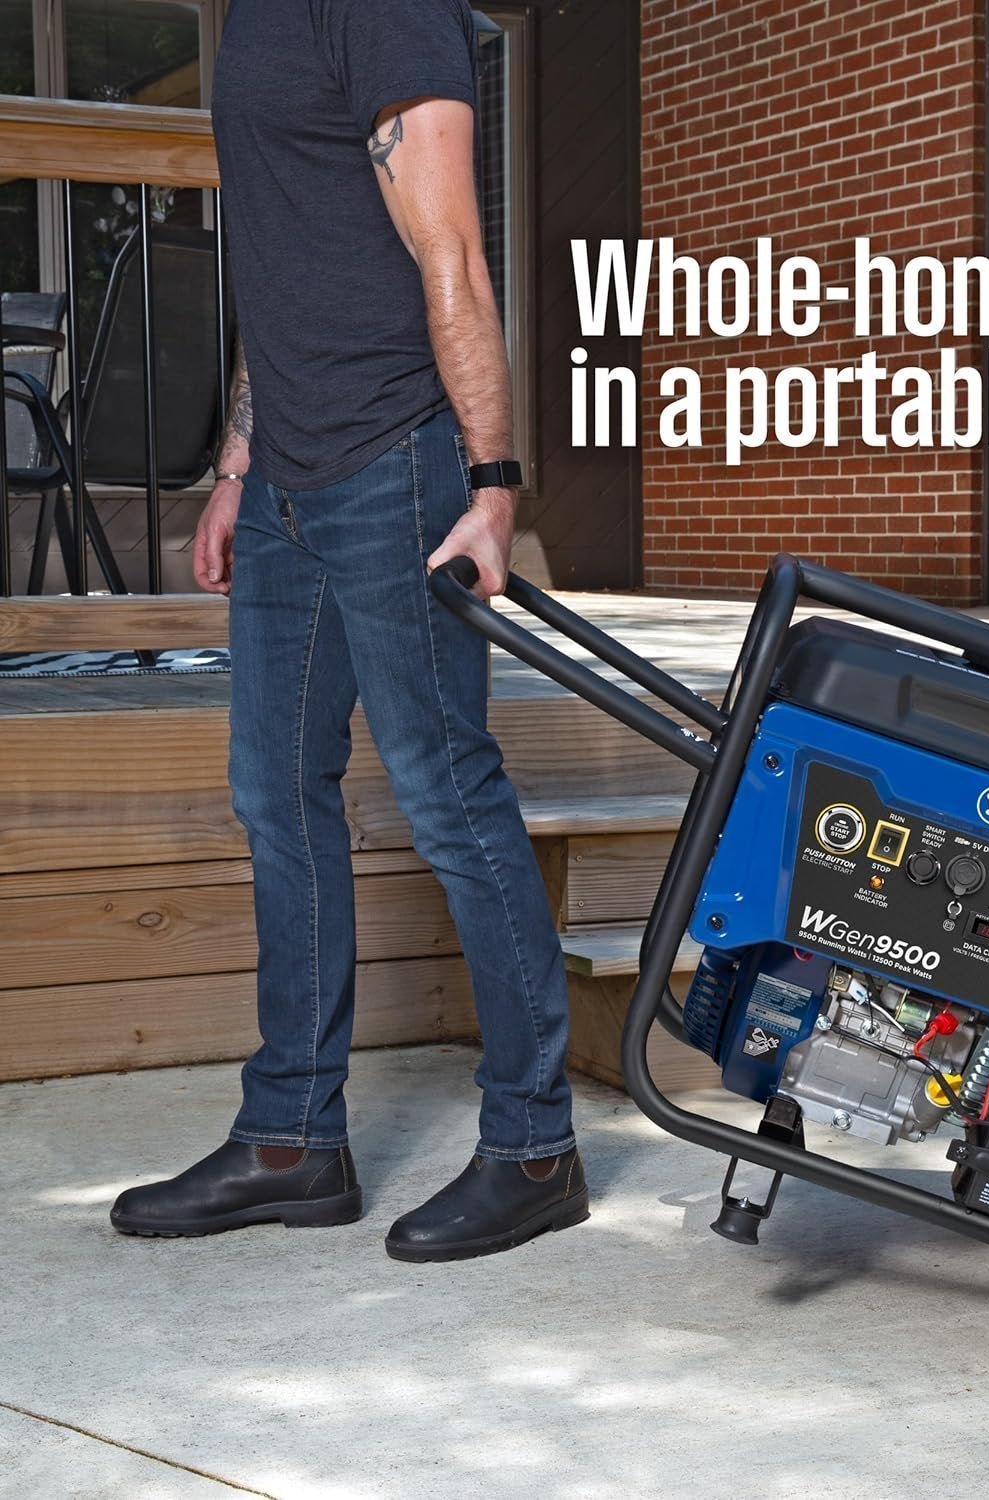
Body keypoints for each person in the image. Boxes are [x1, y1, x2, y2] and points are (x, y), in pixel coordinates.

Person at [109, 0, 586, 1262]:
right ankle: (291, 1141)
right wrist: (239, 458)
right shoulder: (257, 16)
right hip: (287, 474)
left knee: (447, 795)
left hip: (397, 456)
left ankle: (535, 1145)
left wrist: (493, 484)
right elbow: (284, 250)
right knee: (275, 791)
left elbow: (450, 248)